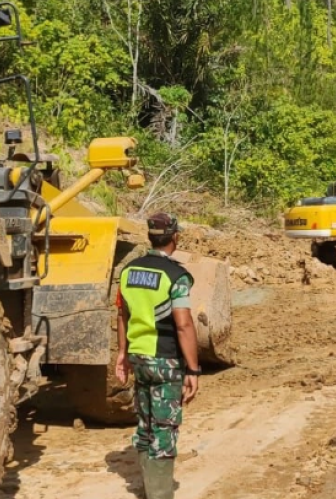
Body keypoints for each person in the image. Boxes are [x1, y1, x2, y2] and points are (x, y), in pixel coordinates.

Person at [114, 212, 200, 499]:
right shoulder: (176, 276)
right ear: (175, 237)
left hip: (139, 357)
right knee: (164, 427)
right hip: (166, 361)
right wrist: (193, 370)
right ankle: (160, 494)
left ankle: (148, 487)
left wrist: (122, 353)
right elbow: (184, 324)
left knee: (146, 423)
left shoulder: (128, 272)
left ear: (150, 236)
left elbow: (122, 315)